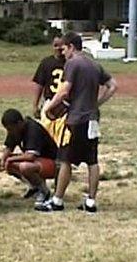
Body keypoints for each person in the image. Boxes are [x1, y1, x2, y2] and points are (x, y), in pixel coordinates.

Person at [41, 32, 118, 213]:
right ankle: (91, 201)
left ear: (71, 47)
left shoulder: (73, 63)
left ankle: (57, 200)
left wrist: (49, 107)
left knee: (65, 159)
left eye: (64, 48)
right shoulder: (94, 64)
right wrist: (97, 103)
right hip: (92, 118)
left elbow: (64, 92)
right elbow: (113, 85)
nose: (63, 53)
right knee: (92, 160)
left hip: (76, 119)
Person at [0, 109, 58, 206]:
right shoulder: (15, 130)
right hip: (38, 161)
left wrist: (10, 159)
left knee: (25, 167)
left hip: (53, 162)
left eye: (10, 129)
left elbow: (31, 156)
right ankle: (34, 187)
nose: (9, 132)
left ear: (19, 123)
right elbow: (9, 147)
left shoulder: (32, 129)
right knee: (9, 165)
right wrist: (3, 158)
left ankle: (44, 191)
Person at [32, 35, 68, 146]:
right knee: (46, 133)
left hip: (65, 104)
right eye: (55, 45)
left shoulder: (71, 63)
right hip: (50, 101)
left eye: (61, 45)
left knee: (63, 136)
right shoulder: (46, 63)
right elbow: (39, 84)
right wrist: (35, 105)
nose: (58, 48)